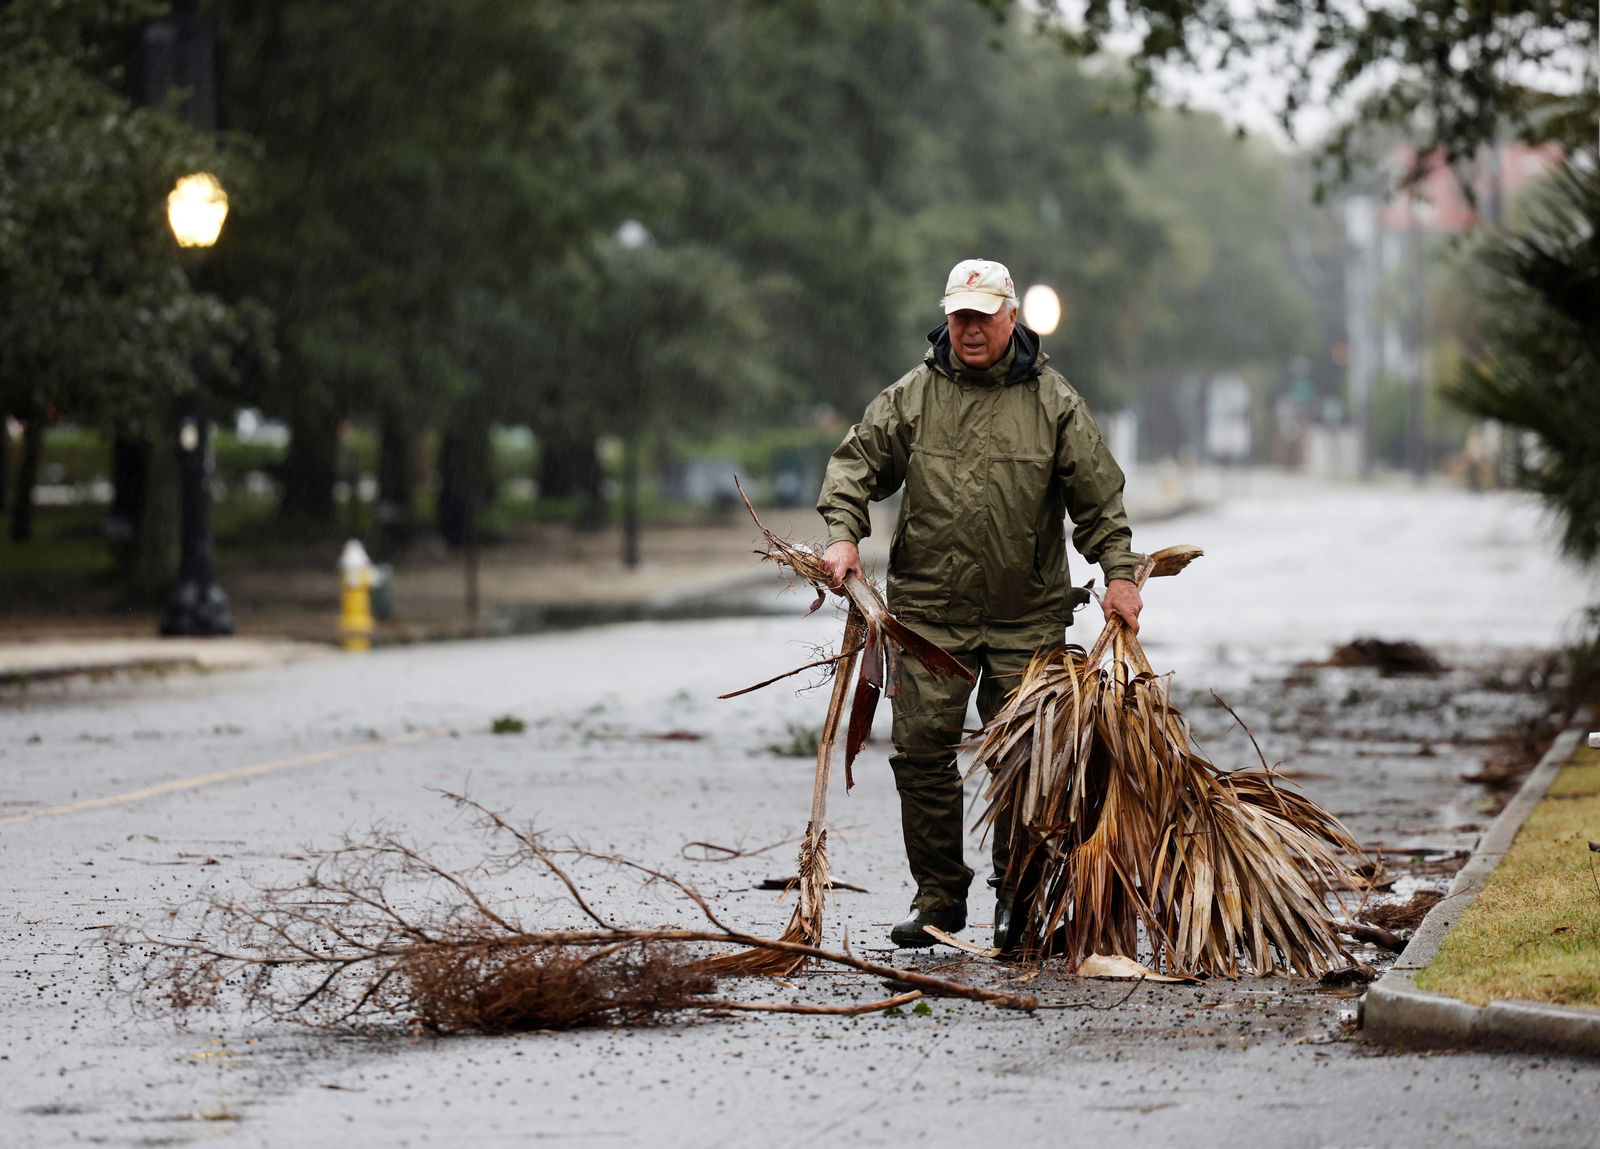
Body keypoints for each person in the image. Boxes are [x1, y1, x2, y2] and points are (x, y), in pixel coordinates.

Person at [816, 258, 1143, 950]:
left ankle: (1015, 900)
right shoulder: (914, 397)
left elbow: (1098, 501)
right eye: (959, 315)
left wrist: (1119, 573)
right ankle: (939, 894)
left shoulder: (1055, 404)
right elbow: (856, 464)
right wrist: (842, 534)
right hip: (930, 615)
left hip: (1026, 615)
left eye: (983, 316)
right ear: (948, 317)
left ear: (1011, 317)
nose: (969, 329)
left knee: (1023, 758)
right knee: (919, 751)